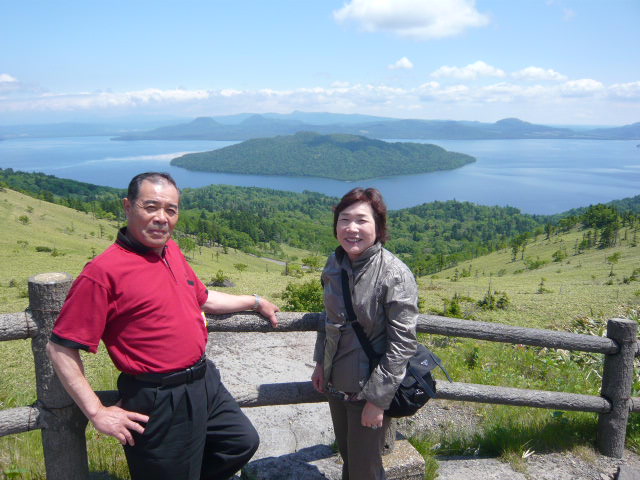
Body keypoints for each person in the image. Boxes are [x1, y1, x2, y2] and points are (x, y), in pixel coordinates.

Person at [46, 172, 280, 480]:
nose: (161, 218)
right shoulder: (102, 273)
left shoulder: (172, 252)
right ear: (128, 206)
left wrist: (254, 301)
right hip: (158, 397)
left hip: (204, 382)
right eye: (151, 207)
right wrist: (96, 411)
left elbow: (204, 298)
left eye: (171, 210)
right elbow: (60, 347)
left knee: (239, 442)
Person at [311, 187, 419, 480]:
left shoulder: (394, 274)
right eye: (344, 219)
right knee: (350, 458)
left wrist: (377, 400)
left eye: (361, 220)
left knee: (364, 470)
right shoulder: (335, 263)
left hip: (368, 390)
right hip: (336, 385)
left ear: (379, 227)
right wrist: (321, 363)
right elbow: (328, 319)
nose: (352, 228)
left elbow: (402, 344)